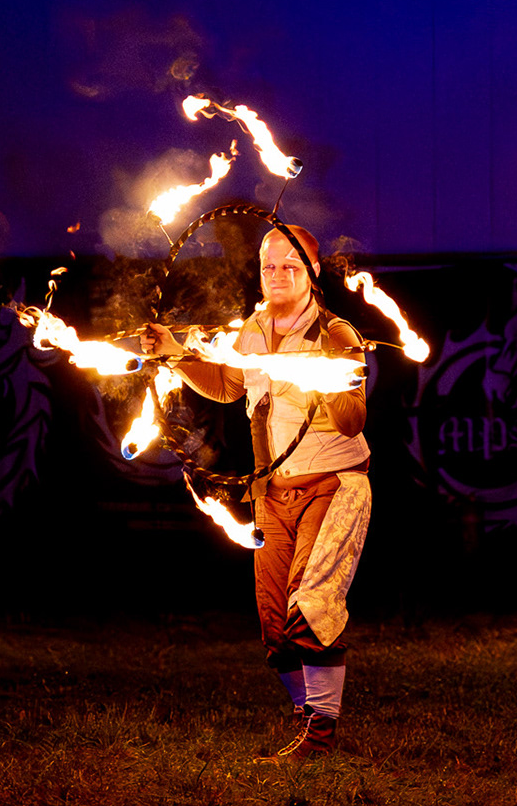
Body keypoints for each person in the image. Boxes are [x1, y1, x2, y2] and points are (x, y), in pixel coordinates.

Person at [143, 225, 370, 761]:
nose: (278, 275)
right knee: (275, 628)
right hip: (272, 494)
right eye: (269, 265)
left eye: (290, 265)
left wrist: (329, 378)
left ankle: (319, 737)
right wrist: (176, 353)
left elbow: (354, 419)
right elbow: (227, 385)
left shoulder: (337, 335)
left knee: (310, 606)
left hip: (332, 486)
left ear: (312, 273)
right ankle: (304, 714)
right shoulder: (253, 328)